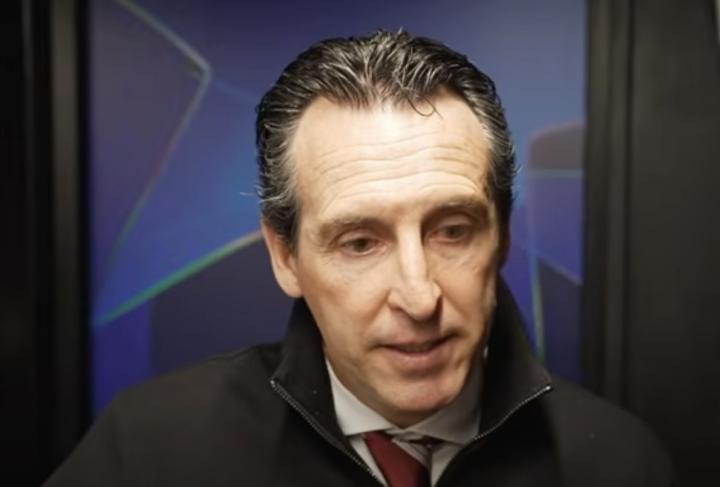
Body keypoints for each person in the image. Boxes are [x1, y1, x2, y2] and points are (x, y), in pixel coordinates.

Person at [44, 30, 673, 486]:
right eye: (360, 242)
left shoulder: (619, 464)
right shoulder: (148, 454)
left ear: (501, 235)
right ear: (285, 256)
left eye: (452, 231)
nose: (419, 296)